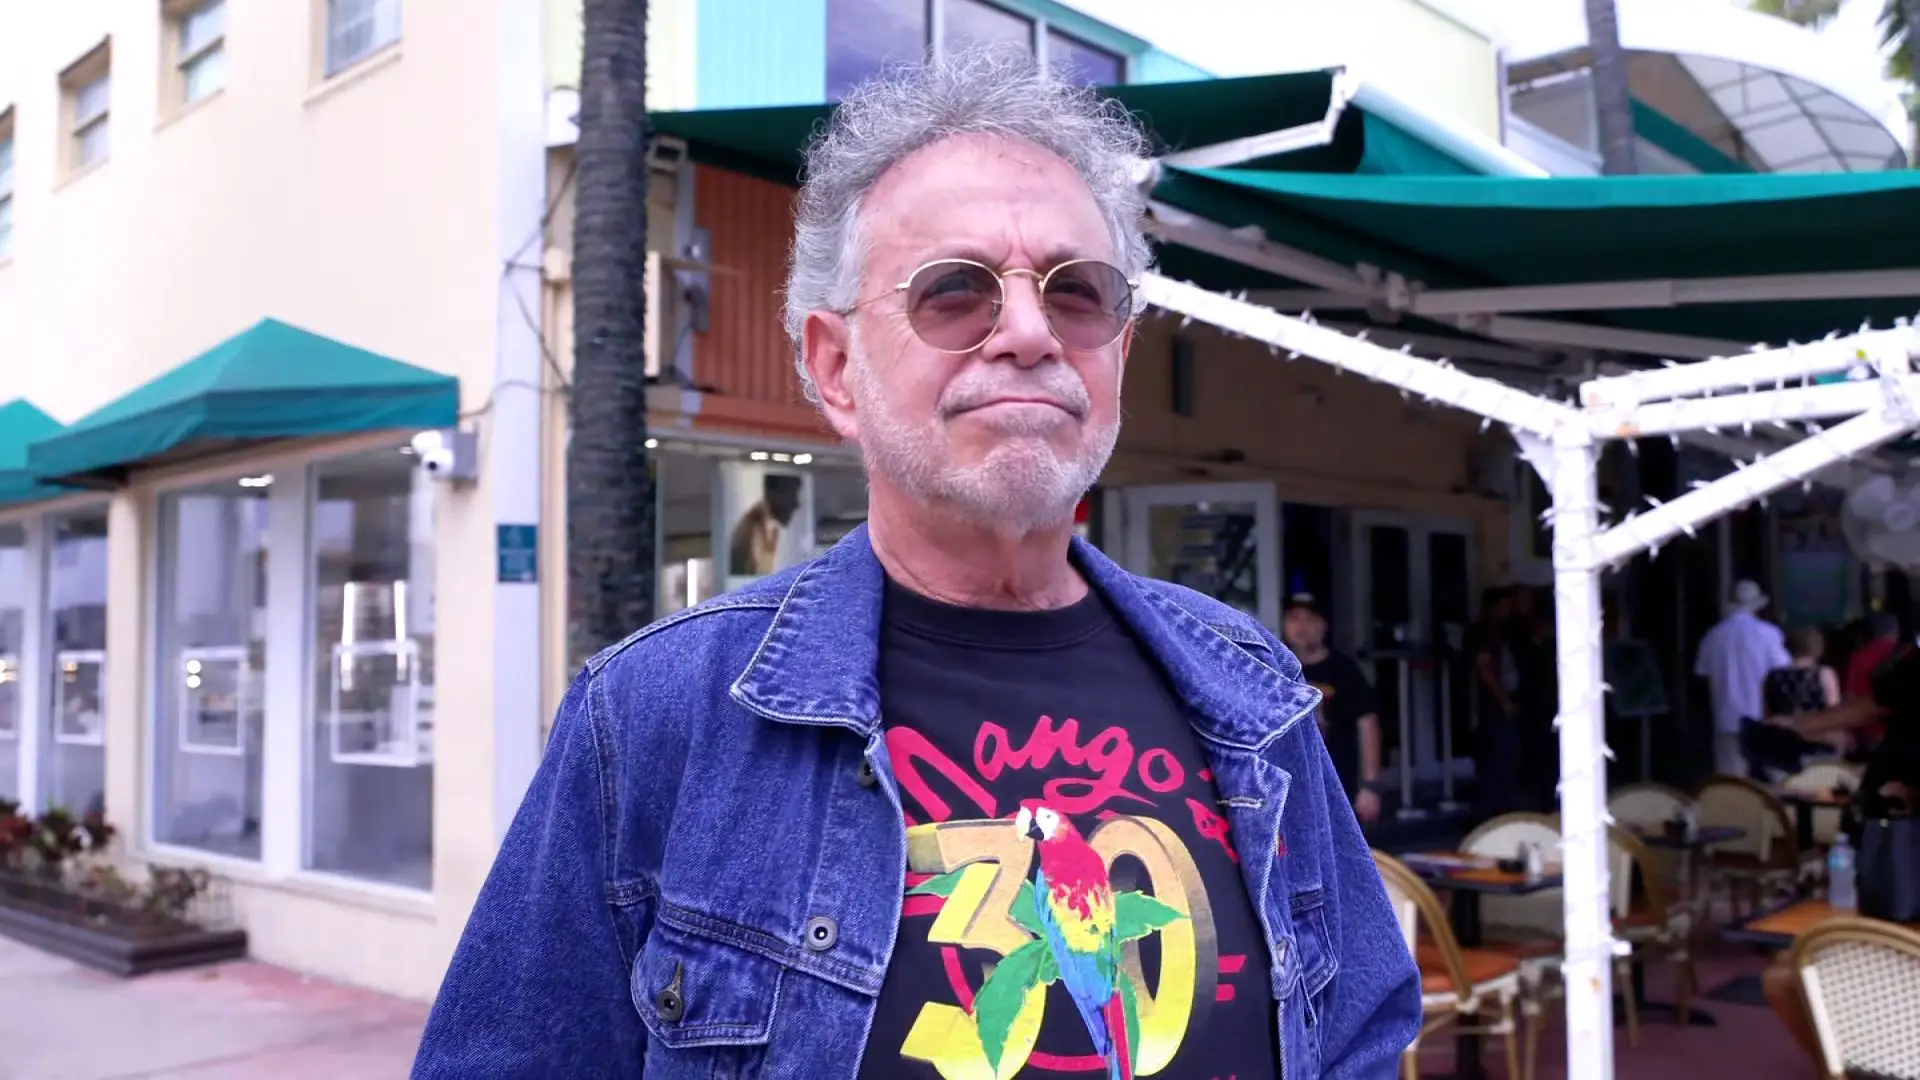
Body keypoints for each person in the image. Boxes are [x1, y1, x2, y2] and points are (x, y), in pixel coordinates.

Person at [413, 48, 1417, 1079]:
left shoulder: (1248, 680)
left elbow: (1360, 1025)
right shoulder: (657, 713)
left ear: (1118, 352)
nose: (1029, 330)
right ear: (837, 367)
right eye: (953, 291)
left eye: (1079, 293)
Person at [1281, 592, 1384, 824]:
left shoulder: (1344, 670)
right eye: (1294, 618)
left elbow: (1368, 724)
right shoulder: (1276, 670)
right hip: (1291, 787)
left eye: (1310, 619)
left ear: (1323, 626)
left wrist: (1370, 786)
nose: (1302, 627)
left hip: (1337, 785)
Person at [1693, 579, 1791, 778]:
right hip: (1763, 718)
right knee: (1774, 780)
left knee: (1732, 783)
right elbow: (1783, 672)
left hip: (1727, 717)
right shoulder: (1769, 634)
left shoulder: (1713, 636)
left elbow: (1705, 677)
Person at [1745, 626, 1842, 781]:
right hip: (1818, 749)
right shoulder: (1824, 674)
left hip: (1782, 752)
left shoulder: (1771, 677)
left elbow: (1766, 717)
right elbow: (1834, 715)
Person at [1469, 586, 1523, 817]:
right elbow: (1485, 668)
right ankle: (1490, 811)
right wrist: (1502, 700)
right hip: (1491, 704)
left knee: (1502, 755)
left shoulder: (1498, 630)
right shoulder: (1486, 631)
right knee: (1499, 756)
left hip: (1495, 702)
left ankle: (1495, 808)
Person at [727, 472, 805, 576]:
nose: (796, 504)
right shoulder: (753, 529)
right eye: (792, 495)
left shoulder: (772, 531)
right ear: (772, 494)